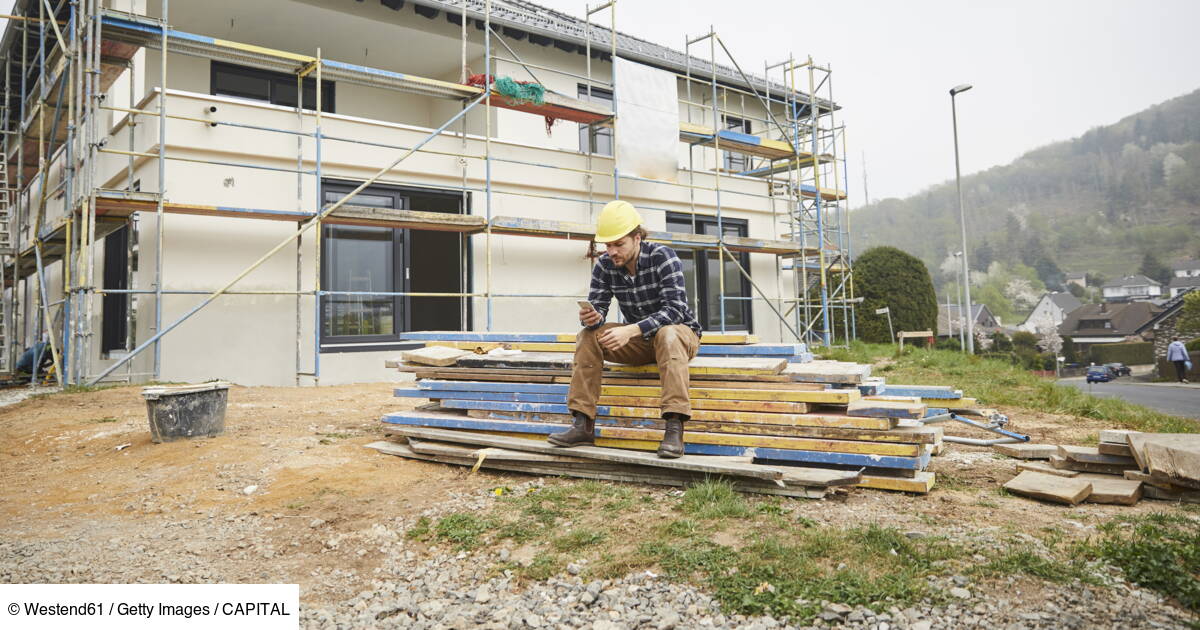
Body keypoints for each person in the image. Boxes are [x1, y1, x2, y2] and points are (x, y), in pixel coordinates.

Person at [548, 200, 702, 458]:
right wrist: (592, 317)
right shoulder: (605, 266)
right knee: (588, 336)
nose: (612, 251)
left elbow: (675, 311)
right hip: (641, 342)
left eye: (619, 244)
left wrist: (631, 330)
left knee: (668, 332)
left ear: (638, 238)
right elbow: (598, 312)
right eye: (608, 245)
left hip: (679, 337)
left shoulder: (663, 257)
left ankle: (674, 428)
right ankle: (583, 424)